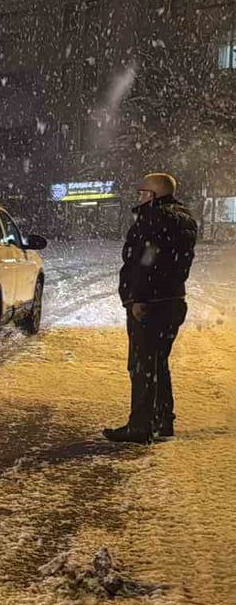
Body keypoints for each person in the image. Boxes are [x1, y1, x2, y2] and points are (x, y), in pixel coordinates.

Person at [103, 173, 197, 444]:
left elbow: (146, 262)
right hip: (173, 300)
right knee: (158, 361)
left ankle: (140, 426)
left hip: (151, 302)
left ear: (154, 195)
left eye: (142, 192)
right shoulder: (184, 218)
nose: (139, 197)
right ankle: (163, 420)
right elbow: (173, 262)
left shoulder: (154, 217)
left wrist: (138, 298)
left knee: (142, 364)